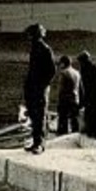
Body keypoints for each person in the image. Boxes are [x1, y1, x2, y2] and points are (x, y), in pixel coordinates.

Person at [22, 23, 56, 153]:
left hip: (39, 88)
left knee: (40, 115)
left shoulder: (45, 49)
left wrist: (42, 84)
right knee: (34, 115)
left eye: (30, 35)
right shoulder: (35, 48)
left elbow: (52, 70)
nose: (29, 38)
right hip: (33, 87)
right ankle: (36, 141)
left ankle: (40, 144)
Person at [55, 52, 82, 136]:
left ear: (63, 63)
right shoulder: (77, 73)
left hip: (65, 99)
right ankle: (75, 134)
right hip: (75, 98)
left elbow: (61, 88)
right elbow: (80, 87)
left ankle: (62, 135)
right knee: (74, 119)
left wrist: (59, 98)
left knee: (63, 119)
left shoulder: (64, 73)